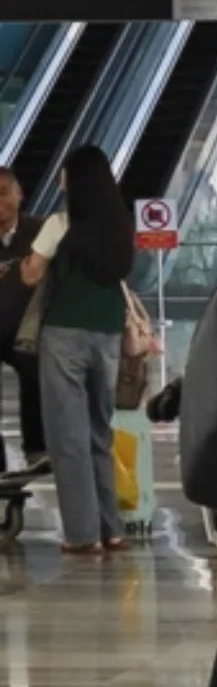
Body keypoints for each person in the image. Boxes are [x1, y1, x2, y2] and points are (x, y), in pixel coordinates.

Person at [19, 146, 134, 554]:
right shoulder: (121, 227)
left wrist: (26, 263)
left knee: (68, 437)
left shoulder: (60, 224)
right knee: (99, 432)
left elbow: (31, 275)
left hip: (64, 334)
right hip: (108, 336)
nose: (59, 179)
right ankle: (112, 530)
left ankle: (82, 535)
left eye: (64, 172)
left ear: (76, 180)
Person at [0, 168, 47, 478]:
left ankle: (37, 448)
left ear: (19, 194)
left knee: (35, 367)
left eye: (4, 192)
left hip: (23, 329)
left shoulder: (41, 232)